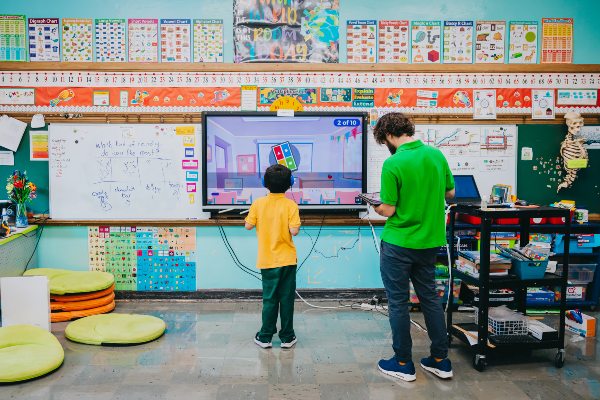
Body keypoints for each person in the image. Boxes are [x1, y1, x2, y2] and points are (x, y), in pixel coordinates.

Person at [372, 113, 455, 381]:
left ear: (387, 136)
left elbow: (389, 209)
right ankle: (441, 360)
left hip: (399, 244)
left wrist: (374, 205)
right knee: (430, 299)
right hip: (429, 242)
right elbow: (450, 193)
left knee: (398, 303)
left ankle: (403, 362)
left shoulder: (393, 163)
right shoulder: (436, 155)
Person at [245, 164, 301, 349]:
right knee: (286, 299)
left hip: (268, 261)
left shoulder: (258, 203)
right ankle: (287, 337)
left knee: (269, 299)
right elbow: (295, 231)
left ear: (264, 183)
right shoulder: (291, 205)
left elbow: (248, 226)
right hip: (287, 261)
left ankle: (265, 337)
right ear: (290, 183)